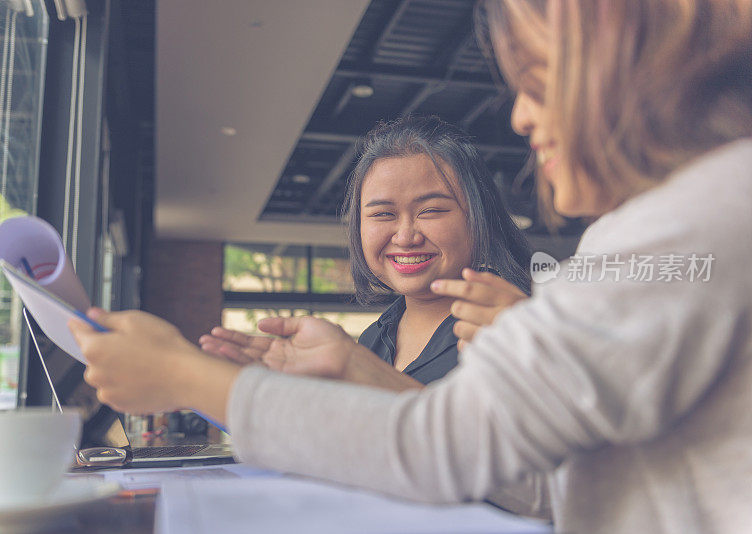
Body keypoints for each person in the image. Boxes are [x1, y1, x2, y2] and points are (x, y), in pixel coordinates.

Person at [70, 0, 752, 532]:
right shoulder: (665, 227)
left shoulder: (696, 223)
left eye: (539, 83)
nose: (519, 116)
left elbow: (443, 448)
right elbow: (543, 485)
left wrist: (188, 377)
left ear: (626, 69)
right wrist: (354, 366)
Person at [199, 115, 532, 387]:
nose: (405, 236)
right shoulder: (374, 337)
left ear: (479, 217)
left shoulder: (515, 326)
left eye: (430, 211)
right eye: (383, 214)